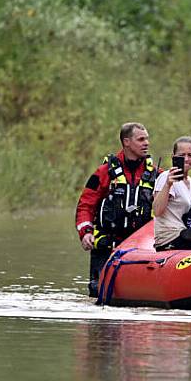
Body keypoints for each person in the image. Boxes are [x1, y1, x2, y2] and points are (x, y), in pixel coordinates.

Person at [75, 122, 157, 297]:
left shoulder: (155, 174)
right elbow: (85, 205)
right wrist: (86, 233)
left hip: (140, 248)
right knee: (99, 292)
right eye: (141, 139)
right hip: (107, 245)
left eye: (147, 139)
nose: (146, 143)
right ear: (126, 142)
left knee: (139, 294)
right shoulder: (104, 172)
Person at [152, 136, 191, 250]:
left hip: (184, 233)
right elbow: (157, 211)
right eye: (182, 155)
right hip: (169, 237)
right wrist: (168, 185)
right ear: (173, 157)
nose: (187, 159)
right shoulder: (166, 177)